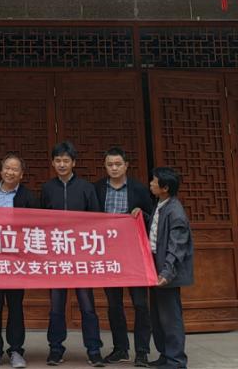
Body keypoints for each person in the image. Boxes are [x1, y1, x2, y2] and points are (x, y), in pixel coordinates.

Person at [39, 142, 104, 368]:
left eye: (66, 160)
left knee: (87, 306)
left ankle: (94, 350)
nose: (62, 164)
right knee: (56, 307)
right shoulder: (47, 188)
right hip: (56, 257)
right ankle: (55, 349)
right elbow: (39, 221)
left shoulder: (86, 188)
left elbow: (96, 220)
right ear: (53, 163)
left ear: (74, 163)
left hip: (81, 257)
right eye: (58, 160)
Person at [93, 148, 156, 367]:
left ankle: (142, 351)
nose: (114, 168)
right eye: (110, 164)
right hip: (108, 254)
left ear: (126, 165)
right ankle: (120, 348)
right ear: (105, 166)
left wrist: (142, 214)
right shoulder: (97, 188)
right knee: (114, 304)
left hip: (134, 254)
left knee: (140, 303)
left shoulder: (139, 189)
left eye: (118, 164)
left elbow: (152, 218)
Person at [0, 153, 39, 369]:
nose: (10, 172)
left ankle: (16, 350)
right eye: (7, 168)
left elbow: (35, 228)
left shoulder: (29, 197)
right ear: (1, 170)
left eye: (15, 169)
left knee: (15, 306)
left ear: (21, 174)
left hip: (16, 261)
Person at [147, 168, 193, 369]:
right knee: (158, 316)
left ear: (164, 188)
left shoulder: (175, 212)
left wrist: (166, 272)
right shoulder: (160, 204)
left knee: (170, 317)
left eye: (154, 181)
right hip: (155, 266)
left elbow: (177, 246)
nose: (151, 183)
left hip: (167, 271)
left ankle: (176, 360)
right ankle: (165, 355)